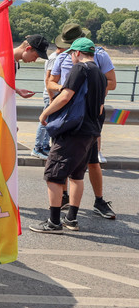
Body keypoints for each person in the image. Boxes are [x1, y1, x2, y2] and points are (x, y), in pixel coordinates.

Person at [31, 38, 107, 234]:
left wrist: (45, 112)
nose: (71, 58)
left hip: (74, 131)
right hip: (91, 131)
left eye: (71, 54)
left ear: (77, 53)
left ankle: (54, 222)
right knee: (77, 175)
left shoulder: (79, 69)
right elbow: (100, 107)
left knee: (53, 175)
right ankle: (71, 219)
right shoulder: (99, 73)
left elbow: (65, 96)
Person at [47, 25, 117, 220]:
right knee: (71, 169)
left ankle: (98, 201)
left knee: (88, 162)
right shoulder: (63, 57)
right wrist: (64, 87)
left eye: (71, 49)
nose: (68, 53)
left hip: (85, 116)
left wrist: (83, 93)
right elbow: (51, 82)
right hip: (70, 116)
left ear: (77, 50)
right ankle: (65, 202)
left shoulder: (98, 57)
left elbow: (111, 82)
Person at [31, 26, 83, 160]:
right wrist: (52, 98)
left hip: (55, 95)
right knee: (47, 121)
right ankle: (38, 147)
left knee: (50, 121)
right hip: (53, 95)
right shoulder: (56, 58)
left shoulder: (58, 56)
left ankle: (45, 146)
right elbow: (49, 80)